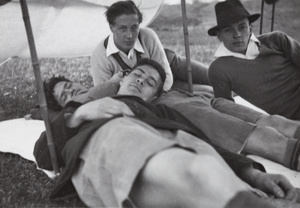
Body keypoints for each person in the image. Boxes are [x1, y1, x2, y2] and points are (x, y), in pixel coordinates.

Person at [34, 58, 300, 207]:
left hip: (167, 142)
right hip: (112, 139)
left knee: (201, 162)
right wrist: (80, 114)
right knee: (180, 167)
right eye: (137, 75)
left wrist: (253, 174)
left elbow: (207, 145)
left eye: (150, 82)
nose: (141, 81)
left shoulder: (163, 113)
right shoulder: (81, 110)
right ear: (123, 79)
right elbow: (43, 154)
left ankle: (251, 199)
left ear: (154, 96)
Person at [28, 71, 300, 171]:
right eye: (65, 95)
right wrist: (79, 106)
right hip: (167, 103)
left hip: (182, 95)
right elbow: (45, 150)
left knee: (274, 121)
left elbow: (142, 79)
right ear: (61, 106)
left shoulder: (107, 86)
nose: (73, 91)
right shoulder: (85, 104)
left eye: (70, 85)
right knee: (263, 137)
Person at [90, 0, 211, 93]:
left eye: (134, 27)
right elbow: (104, 94)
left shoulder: (147, 35)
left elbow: (167, 76)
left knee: (214, 77)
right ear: (112, 27)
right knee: (209, 91)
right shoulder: (100, 56)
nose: (129, 35)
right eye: (122, 28)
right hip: (153, 86)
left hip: (170, 66)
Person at [207, 0, 300, 120]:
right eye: (228, 30)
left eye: (242, 27)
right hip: (292, 120)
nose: (237, 34)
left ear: (250, 28)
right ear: (219, 36)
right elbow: (227, 110)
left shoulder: (276, 40)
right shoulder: (218, 69)